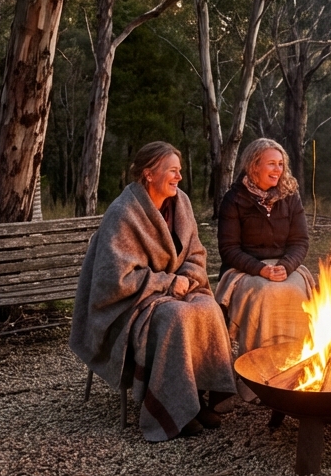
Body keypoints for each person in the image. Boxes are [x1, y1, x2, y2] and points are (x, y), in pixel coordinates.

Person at [70, 141, 236, 442]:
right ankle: (175, 409)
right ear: (149, 173)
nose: (179, 177)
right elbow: (115, 279)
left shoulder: (180, 203)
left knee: (208, 308)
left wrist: (185, 277)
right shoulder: (124, 212)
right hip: (128, 304)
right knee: (175, 317)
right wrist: (167, 284)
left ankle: (196, 401)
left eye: (180, 171)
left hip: (177, 288)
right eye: (172, 171)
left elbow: (196, 255)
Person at [216, 138, 314, 379]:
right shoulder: (234, 199)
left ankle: (298, 370)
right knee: (266, 294)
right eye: (271, 164)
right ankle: (258, 373)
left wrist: (286, 265)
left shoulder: (290, 195)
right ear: (254, 166)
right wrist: (261, 270)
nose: (278, 170)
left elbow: (300, 241)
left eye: (281, 164)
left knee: (296, 293)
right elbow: (228, 249)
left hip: (285, 266)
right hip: (245, 269)